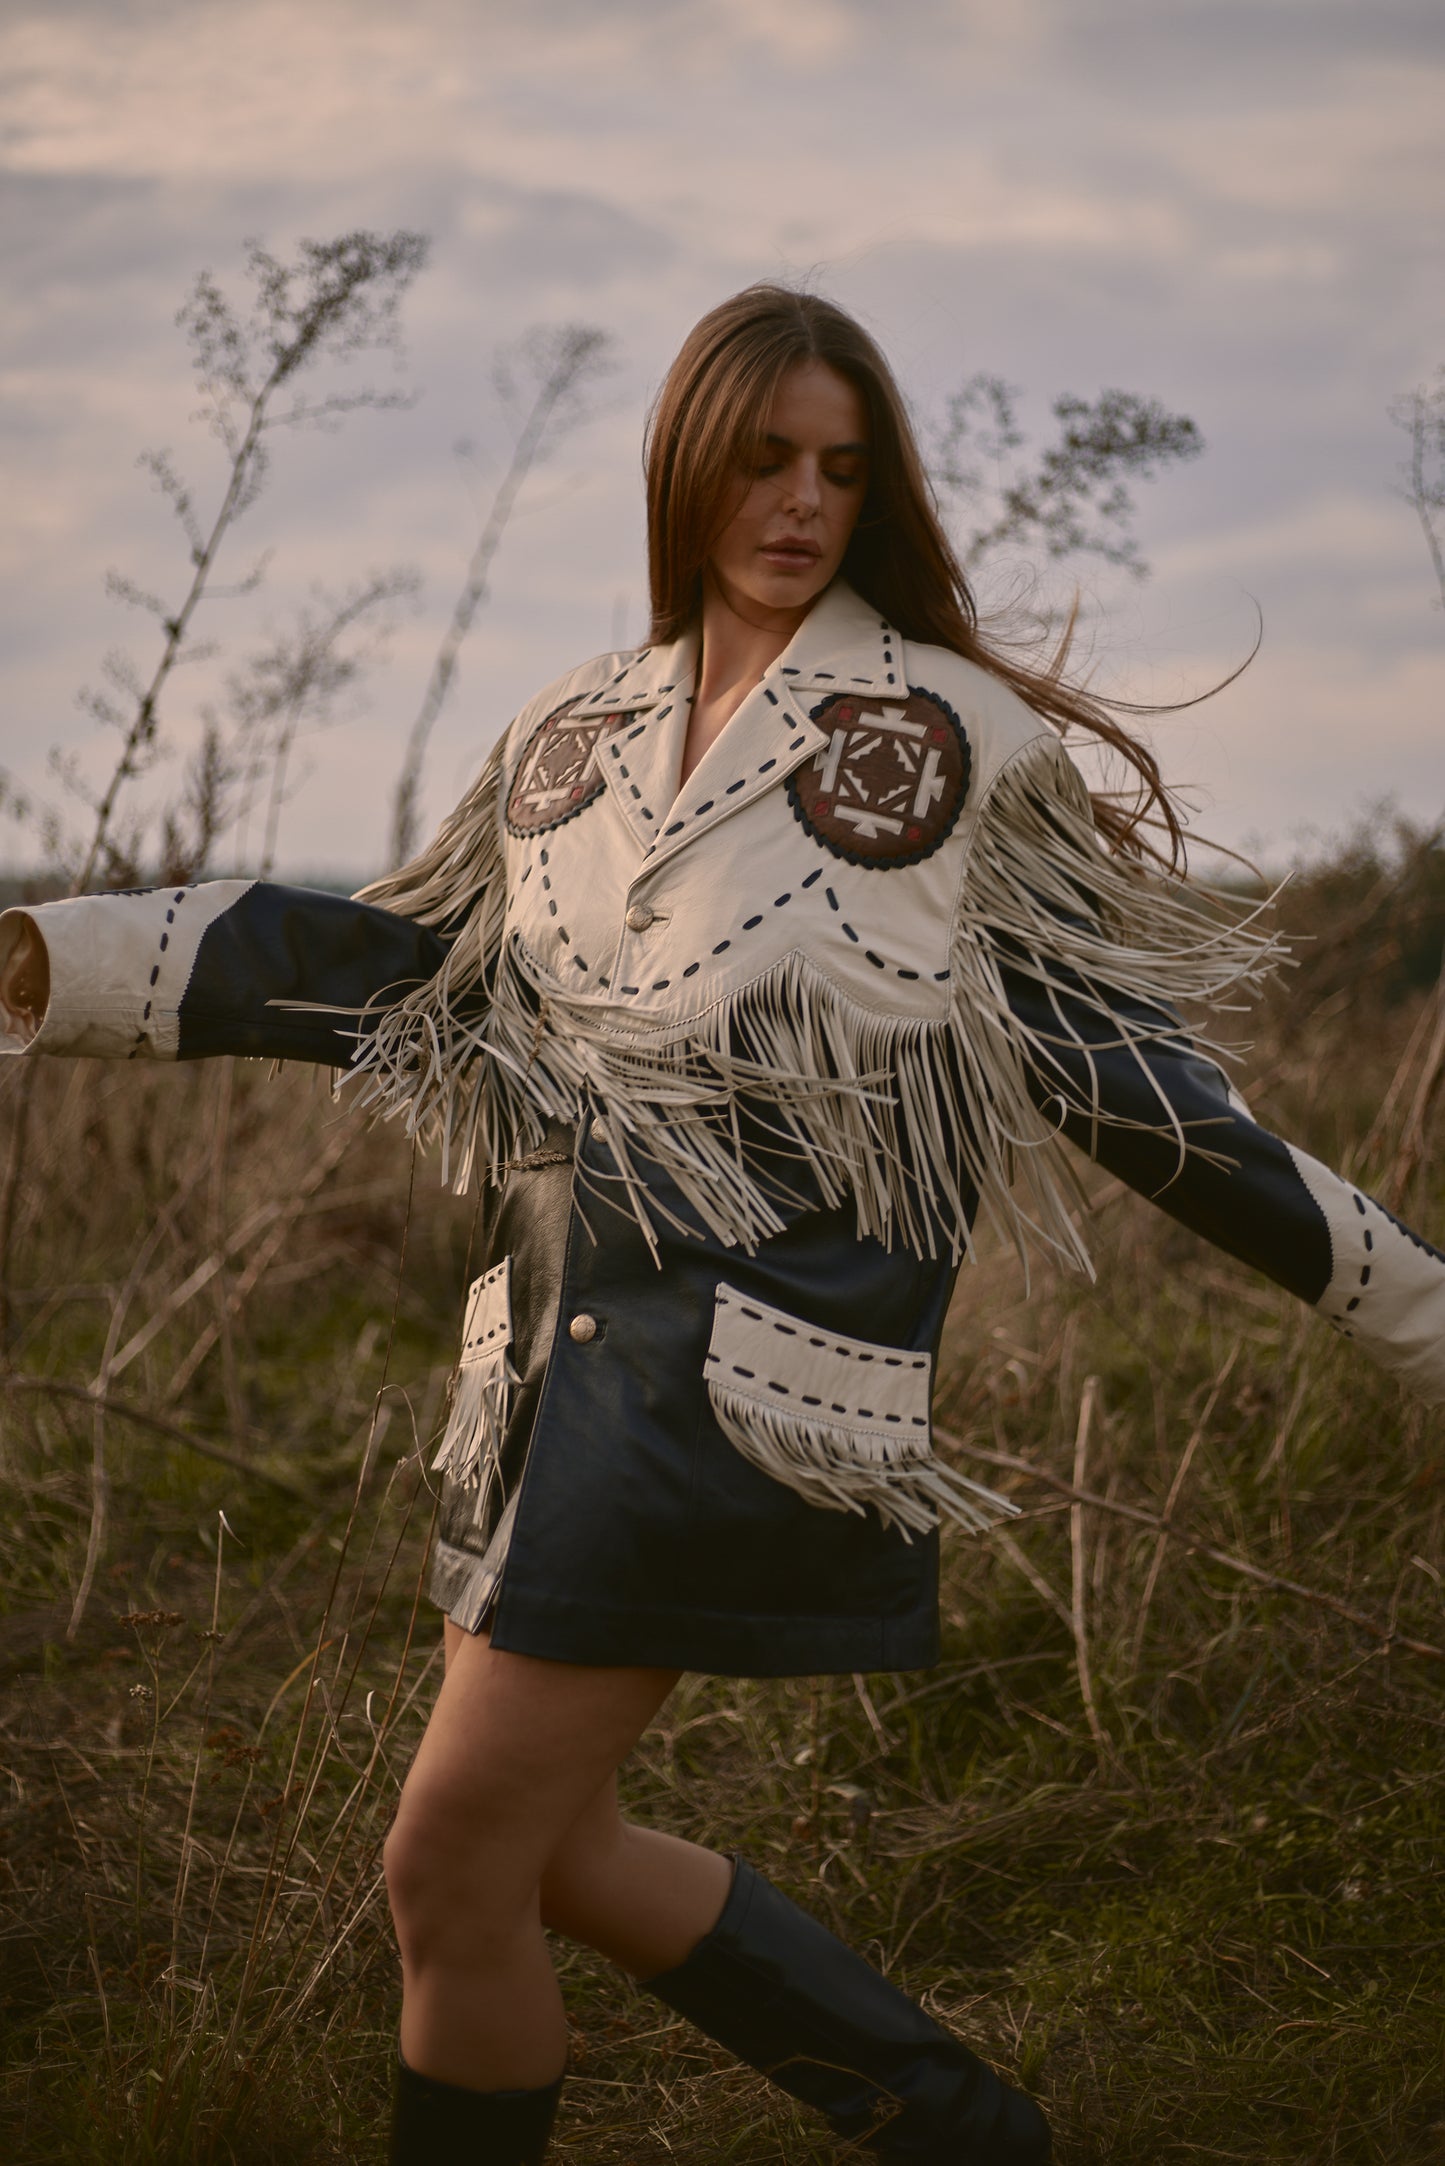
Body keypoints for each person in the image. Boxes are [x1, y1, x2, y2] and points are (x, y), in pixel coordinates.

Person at [4, 285, 1443, 2166]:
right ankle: (970, 2131)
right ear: (686, 462)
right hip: (530, 1378)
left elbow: (1125, 1075)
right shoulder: (563, 736)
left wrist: (1409, 1307)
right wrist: (60, 952)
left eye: (841, 468)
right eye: (762, 457)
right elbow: (404, 964)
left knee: (445, 1864)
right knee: (555, 1850)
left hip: (733, 1390)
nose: (799, 501)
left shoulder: (956, 745)